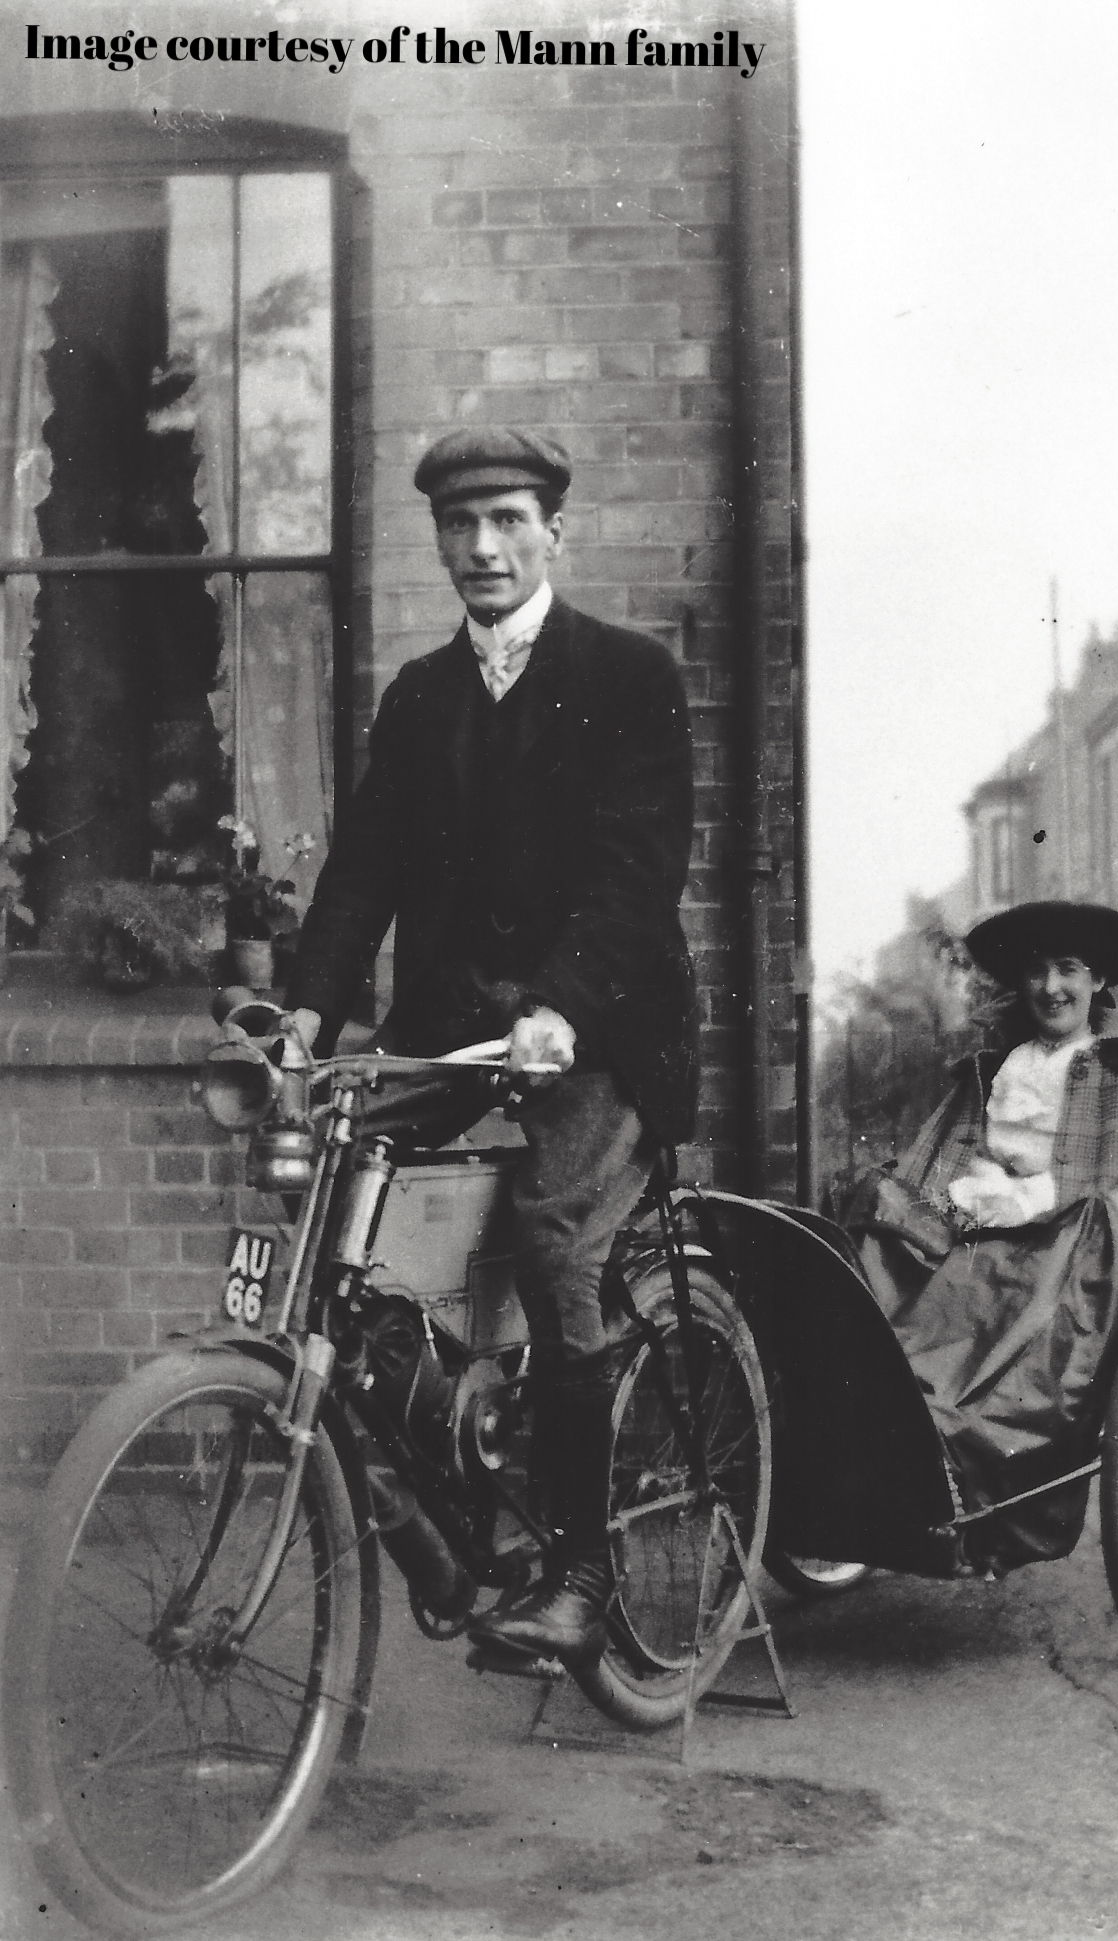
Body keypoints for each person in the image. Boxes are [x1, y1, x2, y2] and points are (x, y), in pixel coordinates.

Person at [284, 428, 698, 1663]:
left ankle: (583, 1567)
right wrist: (305, 1017)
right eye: (459, 525)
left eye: (507, 519)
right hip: (454, 1036)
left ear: (552, 530)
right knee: (324, 1190)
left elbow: (637, 877)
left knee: (560, 1242)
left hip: (601, 1030)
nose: (482, 547)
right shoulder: (421, 698)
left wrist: (561, 1005)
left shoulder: (628, 676)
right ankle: (446, 1505)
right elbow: (360, 874)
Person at [843, 901, 1118, 1573]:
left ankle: (956, 1469)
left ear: (1097, 982)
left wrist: (1030, 1197)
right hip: (974, 1220)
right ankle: (874, 1425)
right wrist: (936, 1197)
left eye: (1068, 969)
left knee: (991, 1332)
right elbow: (947, 1149)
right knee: (882, 1219)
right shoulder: (1000, 1063)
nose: (1051, 987)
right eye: (1037, 970)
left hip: (1056, 1234)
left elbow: (1112, 1173)